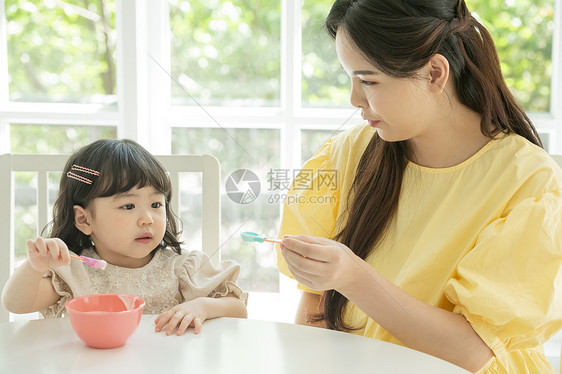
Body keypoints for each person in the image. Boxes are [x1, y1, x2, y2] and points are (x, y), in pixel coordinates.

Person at [276, 0, 562, 372]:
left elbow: (473, 350)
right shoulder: (349, 153)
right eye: (351, 78)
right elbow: (316, 306)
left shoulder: (529, 182)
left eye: (368, 80)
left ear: (434, 74)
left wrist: (351, 276)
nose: (354, 99)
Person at [2, 139, 247, 335]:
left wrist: (202, 306)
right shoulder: (73, 272)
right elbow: (16, 304)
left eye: (155, 204)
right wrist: (35, 268)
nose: (147, 219)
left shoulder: (182, 268)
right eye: (129, 206)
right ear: (84, 220)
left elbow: (238, 308)